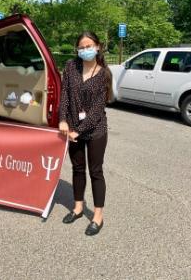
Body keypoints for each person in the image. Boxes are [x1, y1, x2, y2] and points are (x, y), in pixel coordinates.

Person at [58, 31, 112, 236]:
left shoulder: (103, 74)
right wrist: (63, 120)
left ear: (97, 47)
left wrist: (78, 132)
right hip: (72, 128)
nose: (85, 50)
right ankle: (78, 208)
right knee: (77, 169)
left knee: (95, 171)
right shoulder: (71, 67)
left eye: (89, 46)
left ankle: (98, 215)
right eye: (81, 47)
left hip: (95, 130)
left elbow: (98, 110)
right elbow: (65, 95)